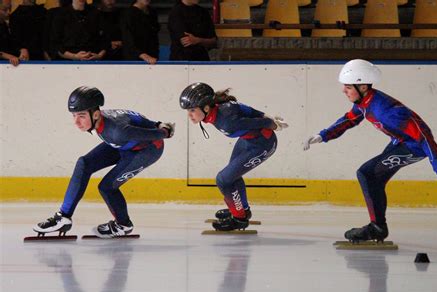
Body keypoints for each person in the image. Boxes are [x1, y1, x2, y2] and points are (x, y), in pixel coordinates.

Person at [303, 59, 437, 242]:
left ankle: (377, 227)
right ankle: (377, 226)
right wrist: (323, 135)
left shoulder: (385, 110)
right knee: (373, 178)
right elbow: (350, 119)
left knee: (367, 174)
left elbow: (423, 135)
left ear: (362, 87)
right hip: (400, 141)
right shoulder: (365, 102)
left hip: (414, 146)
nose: (343, 90)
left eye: (348, 87)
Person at [34, 86, 175, 238]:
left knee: (107, 187)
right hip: (123, 144)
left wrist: (163, 131)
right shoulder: (104, 118)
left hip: (147, 150)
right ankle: (63, 217)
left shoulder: (116, 131)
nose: (76, 122)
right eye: (73, 115)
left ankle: (123, 225)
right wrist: (157, 123)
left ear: (95, 114)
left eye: (81, 116)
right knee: (84, 163)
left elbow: (152, 134)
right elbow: (133, 116)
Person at [179, 82, 288, 231]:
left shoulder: (227, 121)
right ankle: (243, 210)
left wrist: (271, 123)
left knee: (223, 179)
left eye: (192, 110)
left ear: (205, 108)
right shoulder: (221, 108)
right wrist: (264, 115)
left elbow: (260, 122)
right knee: (232, 177)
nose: (189, 115)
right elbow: (245, 109)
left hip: (263, 144)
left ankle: (239, 219)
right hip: (248, 140)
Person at [120, 0, 159, 64]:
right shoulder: (128, 14)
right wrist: (142, 54)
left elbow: (154, 37)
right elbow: (127, 39)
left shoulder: (152, 12)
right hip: (134, 59)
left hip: (152, 57)